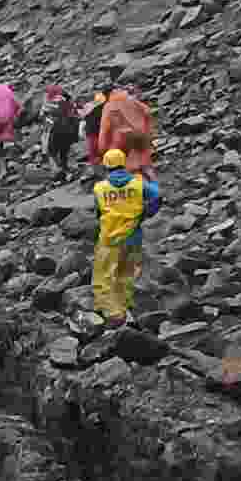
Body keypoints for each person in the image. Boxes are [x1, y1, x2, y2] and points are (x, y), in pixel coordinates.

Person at [92, 148, 161, 328]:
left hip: (109, 238)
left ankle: (112, 314)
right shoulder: (138, 184)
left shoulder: (100, 188)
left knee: (104, 276)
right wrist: (147, 212)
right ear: (123, 163)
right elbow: (156, 195)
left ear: (106, 166)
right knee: (127, 274)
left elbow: (98, 212)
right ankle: (127, 309)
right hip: (133, 236)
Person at [98, 85, 155, 180]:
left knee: (129, 166)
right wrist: (147, 131)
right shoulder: (131, 99)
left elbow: (105, 128)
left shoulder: (109, 106)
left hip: (122, 139)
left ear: (107, 95)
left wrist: (103, 149)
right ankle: (152, 184)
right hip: (141, 134)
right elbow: (147, 112)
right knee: (145, 163)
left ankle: (136, 184)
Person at [41, 85, 80, 177]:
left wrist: (44, 146)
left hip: (55, 131)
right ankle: (65, 168)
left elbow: (45, 120)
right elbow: (75, 115)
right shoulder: (67, 101)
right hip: (69, 131)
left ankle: (60, 171)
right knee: (64, 151)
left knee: (52, 152)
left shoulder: (48, 104)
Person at [81, 92, 107, 167]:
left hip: (93, 132)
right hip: (96, 132)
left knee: (94, 153)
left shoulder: (89, 109)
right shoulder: (101, 109)